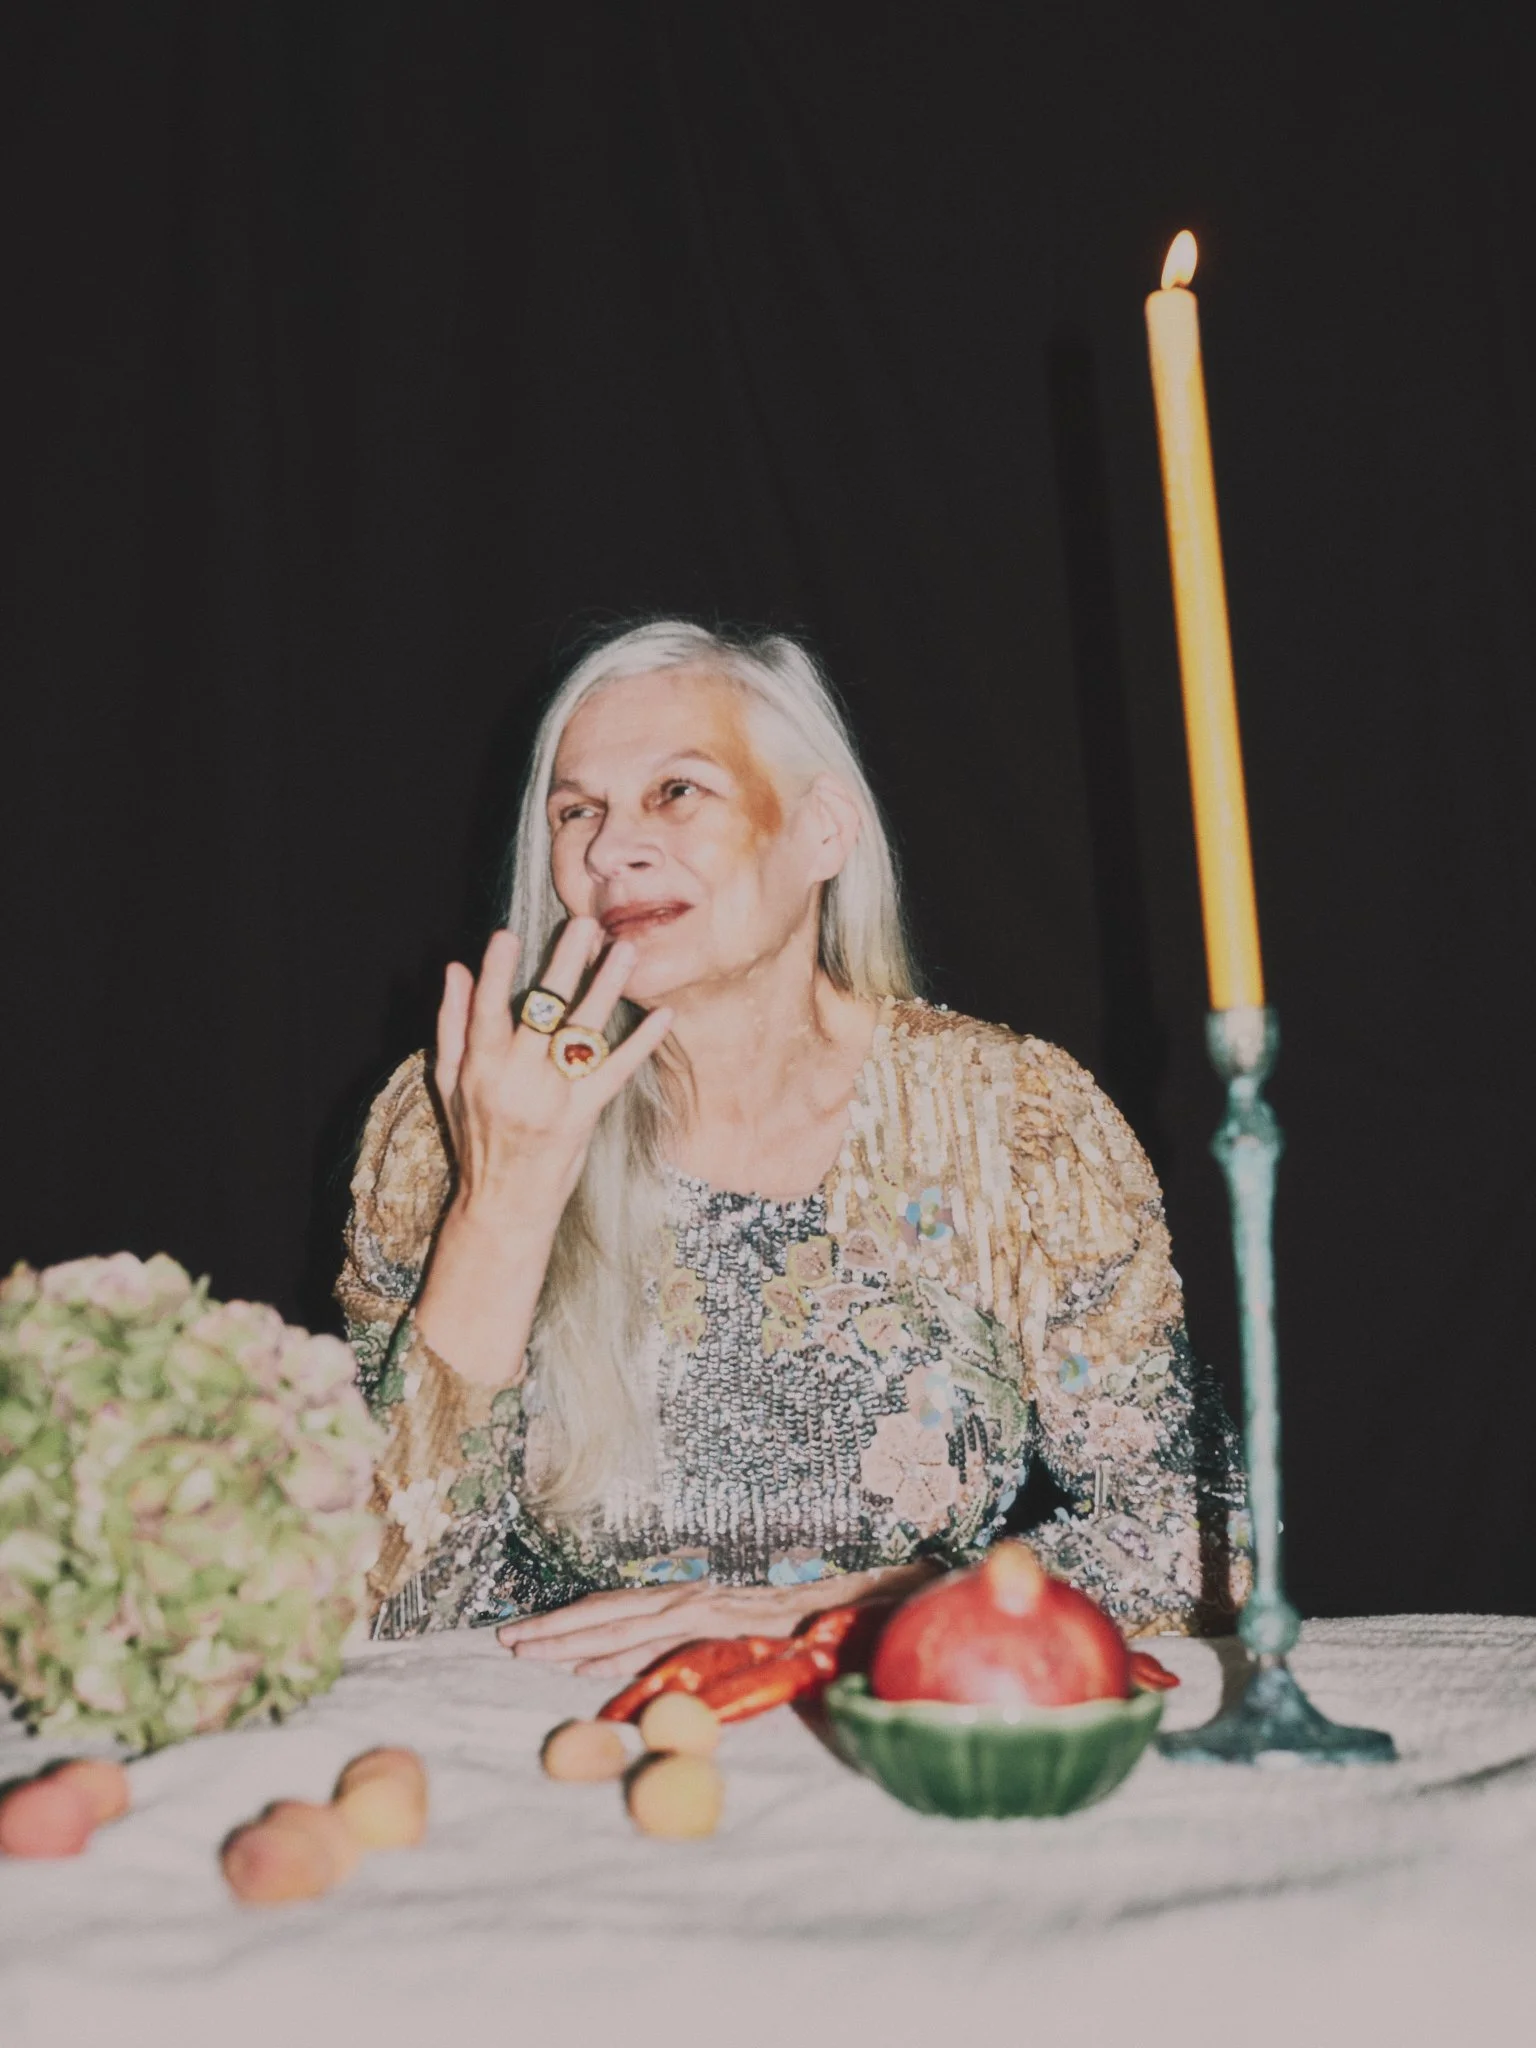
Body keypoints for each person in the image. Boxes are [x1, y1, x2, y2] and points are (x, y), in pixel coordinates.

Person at [337, 620, 1248, 1679]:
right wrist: (503, 1198)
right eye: (577, 810)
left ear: (821, 831)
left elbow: (1191, 1543)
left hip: (898, 1710)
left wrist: (835, 1613)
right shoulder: (451, 1113)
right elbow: (379, 1598)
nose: (610, 849)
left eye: (678, 791)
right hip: (550, 1728)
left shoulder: (1011, 1119)